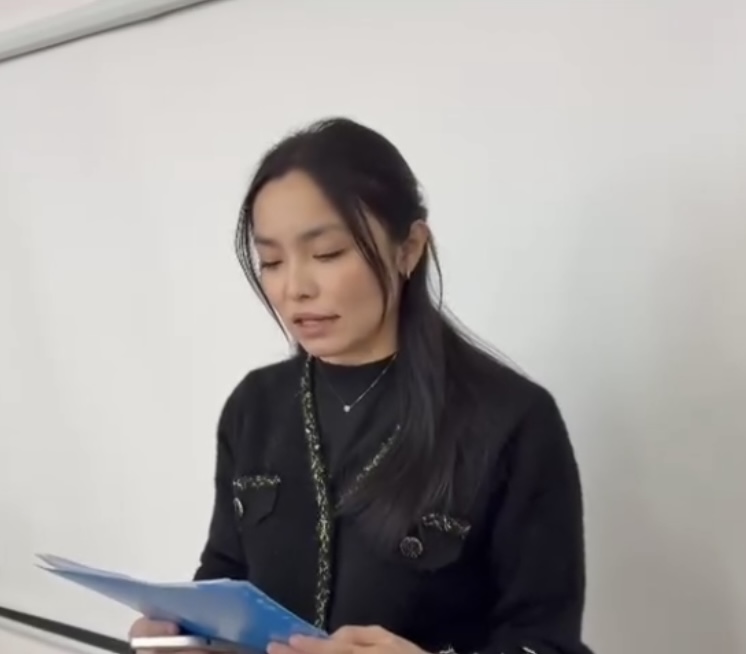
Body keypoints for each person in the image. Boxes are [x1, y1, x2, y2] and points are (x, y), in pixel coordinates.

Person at [130, 117, 593, 654]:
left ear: (409, 248)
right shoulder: (255, 406)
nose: (295, 288)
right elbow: (225, 577)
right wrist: (184, 634)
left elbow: (546, 640)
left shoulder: (510, 419)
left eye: (327, 254)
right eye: (271, 261)